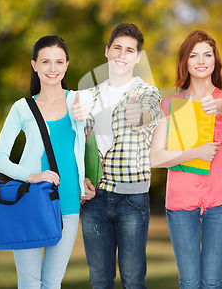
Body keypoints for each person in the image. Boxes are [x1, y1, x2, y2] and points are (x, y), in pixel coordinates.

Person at [0, 35, 93, 288]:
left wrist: (86, 179)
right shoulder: (22, 108)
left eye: (59, 62)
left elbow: (89, 146)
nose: (52, 68)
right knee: (29, 282)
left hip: (68, 202)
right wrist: (31, 175)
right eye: (46, 62)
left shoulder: (80, 101)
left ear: (67, 65)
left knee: (52, 283)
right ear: (34, 65)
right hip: (31, 201)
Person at [150, 30, 222, 289]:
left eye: (207, 54)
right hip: (181, 201)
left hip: (221, 199)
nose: (201, 61)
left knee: (213, 282)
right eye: (194, 55)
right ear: (185, 61)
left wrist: (220, 107)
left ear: (215, 60)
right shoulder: (170, 104)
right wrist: (194, 153)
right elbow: (155, 157)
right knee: (190, 282)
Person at [80, 23, 161, 289]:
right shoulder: (88, 96)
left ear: (137, 57)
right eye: (117, 48)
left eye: (129, 50)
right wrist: (82, 179)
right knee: (99, 280)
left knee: (133, 280)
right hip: (94, 199)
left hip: (132, 199)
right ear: (107, 51)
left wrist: (140, 116)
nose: (122, 55)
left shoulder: (146, 92)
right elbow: (77, 146)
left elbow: (150, 112)